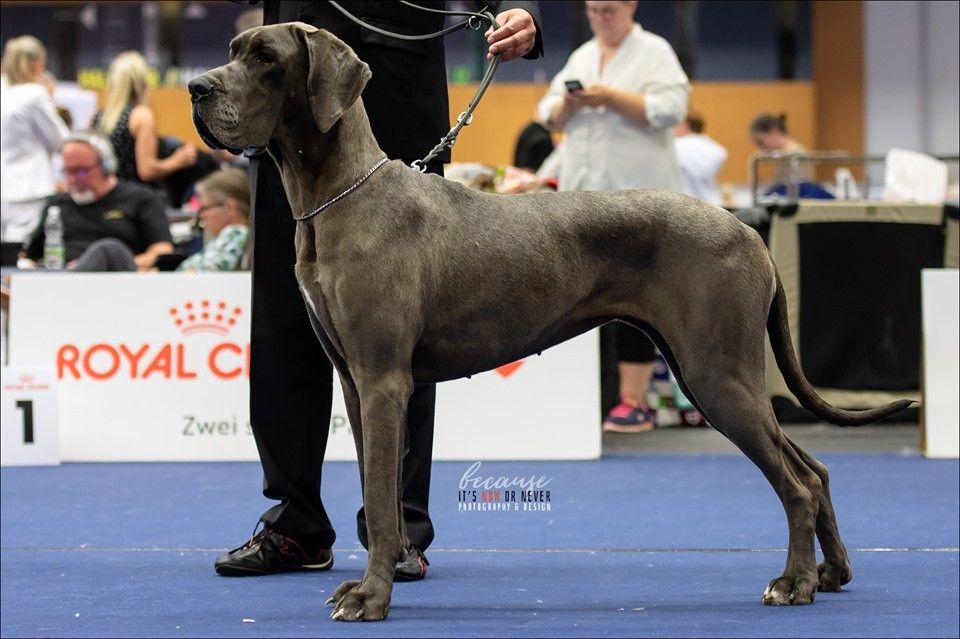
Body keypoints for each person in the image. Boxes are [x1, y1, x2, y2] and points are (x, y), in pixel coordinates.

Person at [212, 1, 543, 581]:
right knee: (285, 325)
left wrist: (522, 7)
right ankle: (296, 524)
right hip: (279, 88)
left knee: (402, 333)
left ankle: (398, 532)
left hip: (395, 84)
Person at [537, 0, 689, 434]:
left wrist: (610, 98)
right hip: (582, 201)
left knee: (637, 299)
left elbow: (672, 109)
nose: (600, 18)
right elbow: (547, 113)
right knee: (578, 299)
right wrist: (568, 107)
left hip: (637, 200)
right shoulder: (583, 55)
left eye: (608, 10)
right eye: (593, 10)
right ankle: (588, 397)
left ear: (630, 6)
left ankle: (632, 401)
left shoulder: (655, 51)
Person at [20, 133, 174, 271]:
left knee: (108, 250)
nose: (73, 180)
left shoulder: (141, 199)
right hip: (63, 282)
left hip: (118, 280)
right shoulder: (57, 205)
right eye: (68, 171)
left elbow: (162, 250)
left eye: (81, 171)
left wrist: (112, 264)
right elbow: (29, 256)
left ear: (106, 166)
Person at [63, 167, 251, 274]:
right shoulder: (231, 238)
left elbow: (205, 272)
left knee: (109, 251)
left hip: (171, 292)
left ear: (229, 206)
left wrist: (158, 277)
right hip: (167, 289)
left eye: (204, 208)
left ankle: (63, 285)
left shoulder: (236, 233)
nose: (201, 216)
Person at [91, 51, 209, 207]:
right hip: (135, 202)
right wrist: (177, 161)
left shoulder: (98, 117)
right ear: (142, 83)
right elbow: (146, 170)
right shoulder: (141, 116)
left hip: (105, 199)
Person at [0, 35, 70, 243]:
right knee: (23, 249)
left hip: (5, 187)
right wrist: (51, 97)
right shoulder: (35, 94)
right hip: (28, 190)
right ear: (34, 64)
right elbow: (62, 141)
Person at [674, 111, 728, 207]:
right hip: (711, 203)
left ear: (684, 125)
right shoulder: (717, 150)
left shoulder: (675, 147)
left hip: (684, 204)